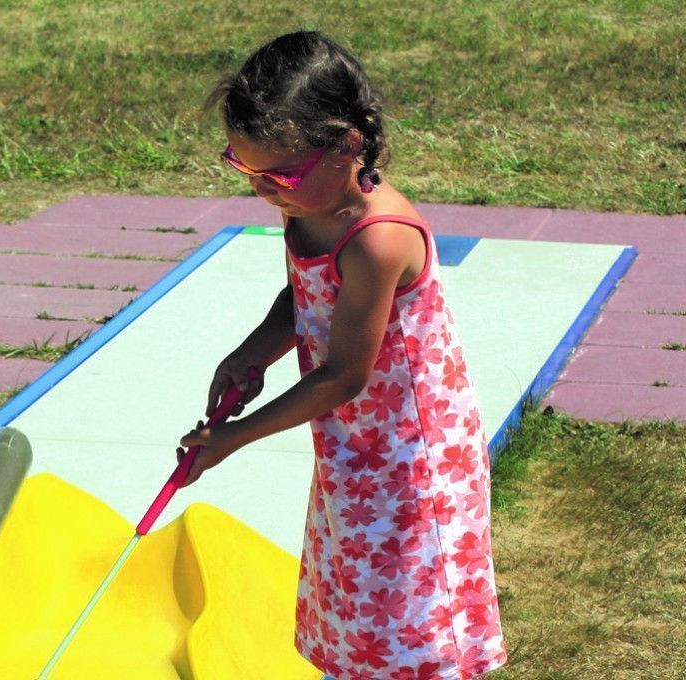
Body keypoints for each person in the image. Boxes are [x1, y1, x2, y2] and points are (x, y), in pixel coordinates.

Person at [174, 31, 507, 680]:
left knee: (412, 610)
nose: (266, 190)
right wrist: (255, 351)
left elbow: (345, 374)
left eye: (280, 174)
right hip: (356, 447)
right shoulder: (305, 202)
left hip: (415, 460)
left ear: (348, 144)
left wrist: (234, 438)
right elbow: (305, 292)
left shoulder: (379, 238)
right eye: (246, 172)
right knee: (357, 595)